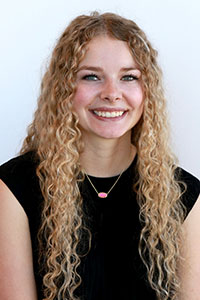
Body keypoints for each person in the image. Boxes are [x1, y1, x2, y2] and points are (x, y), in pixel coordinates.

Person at [0, 11, 199, 300]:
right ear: (63, 89)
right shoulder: (15, 187)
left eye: (129, 77)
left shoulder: (186, 194)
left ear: (148, 92)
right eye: (91, 76)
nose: (111, 93)